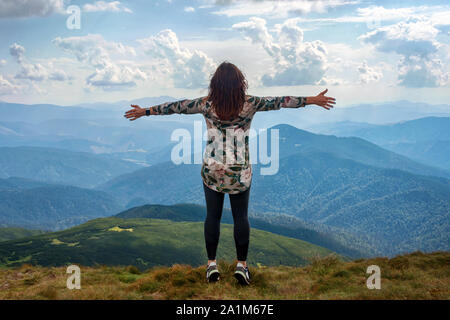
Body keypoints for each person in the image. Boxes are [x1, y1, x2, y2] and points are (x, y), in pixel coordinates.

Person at [124, 61, 336, 285]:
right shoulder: (250, 103)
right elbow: (281, 102)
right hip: (239, 172)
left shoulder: (206, 105)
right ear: (240, 83)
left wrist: (145, 111)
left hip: (212, 171)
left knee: (212, 217)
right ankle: (241, 266)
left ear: (215, 84)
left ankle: (211, 264)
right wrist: (312, 100)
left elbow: (175, 107)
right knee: (240, 218)